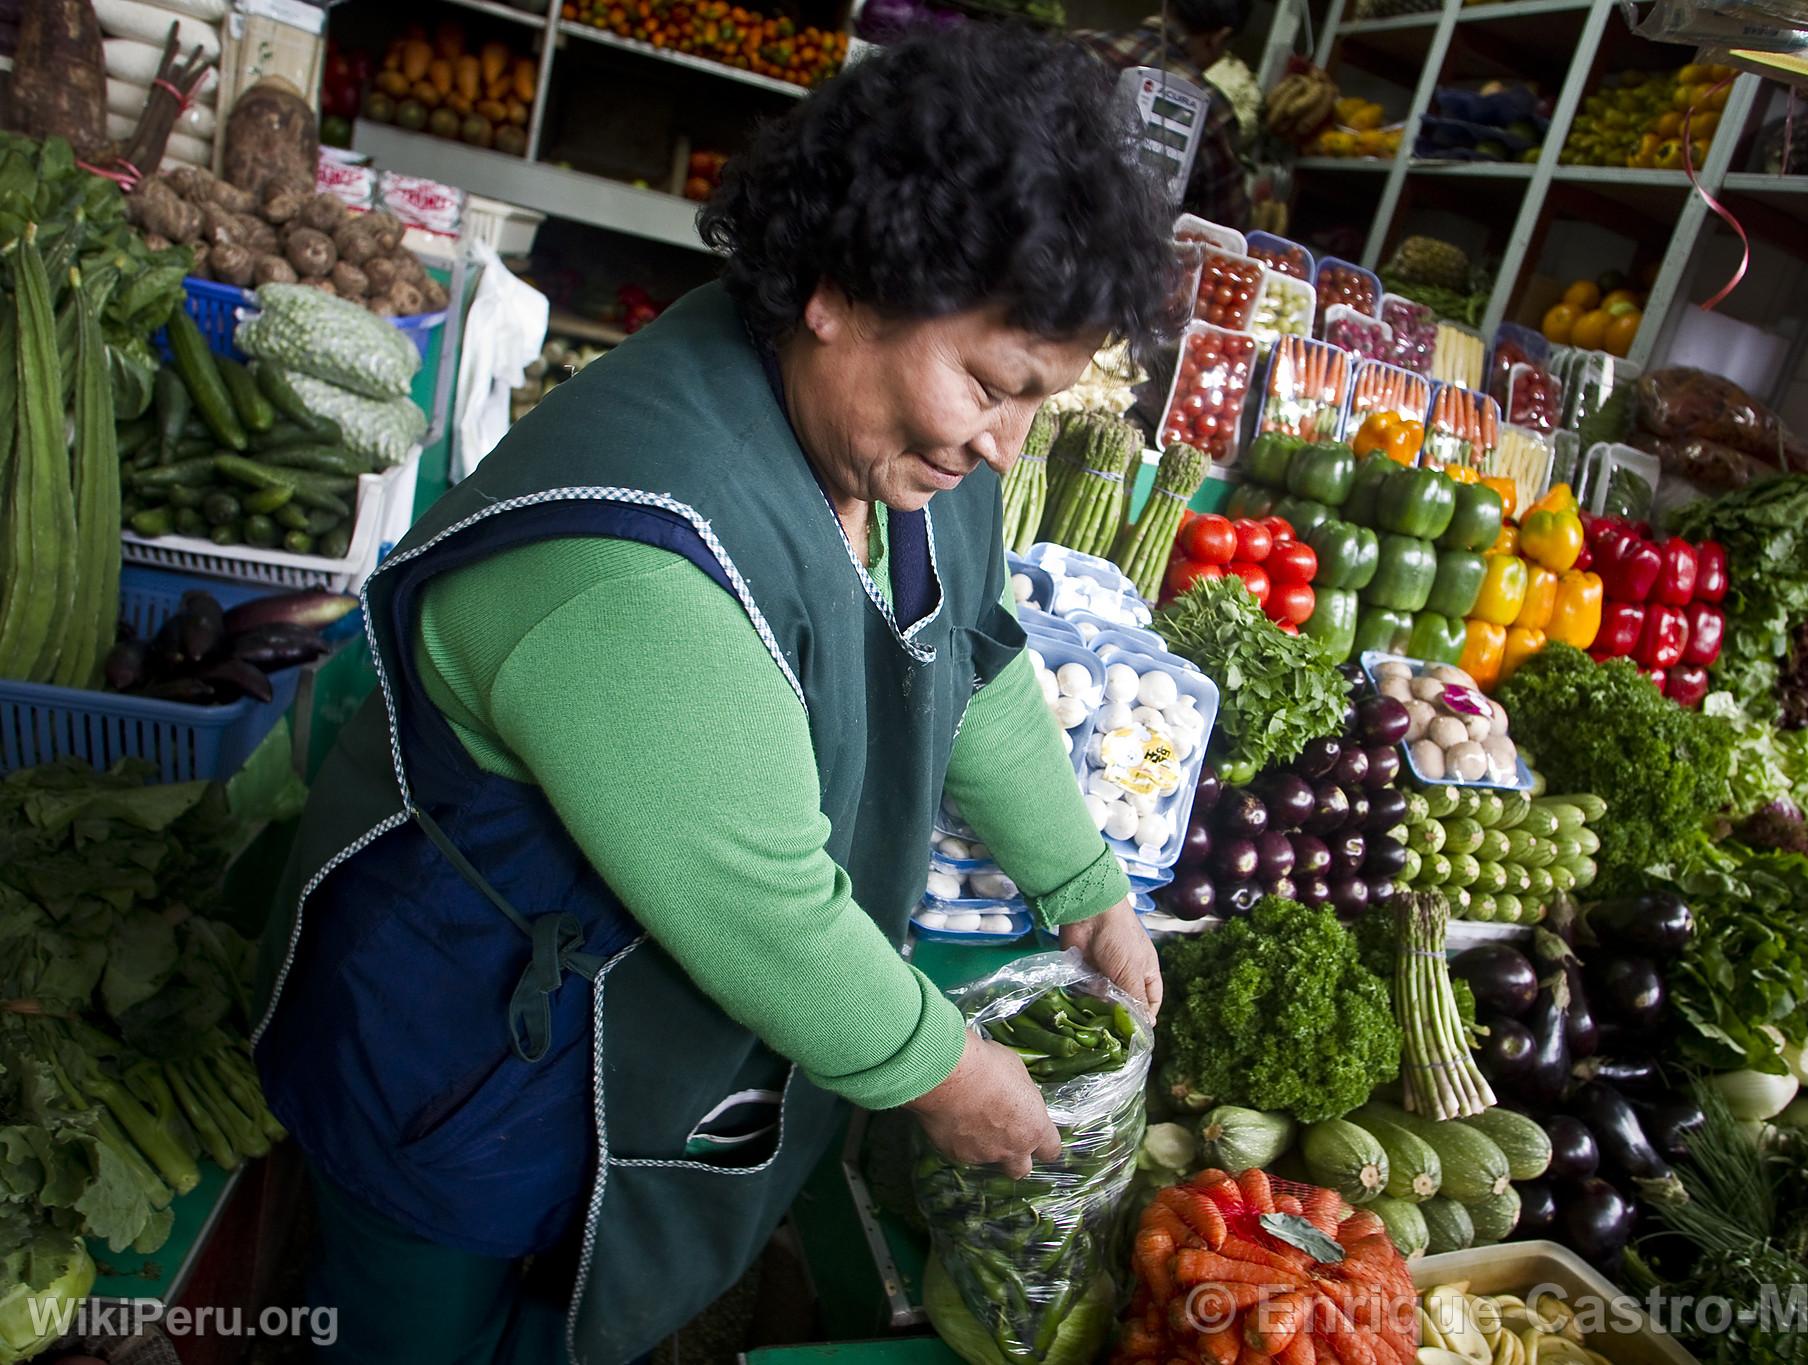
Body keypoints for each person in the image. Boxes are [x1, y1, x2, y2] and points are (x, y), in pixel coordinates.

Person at [249, 28, 1178, 1365]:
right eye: (987, 382)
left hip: (615, 1019)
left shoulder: (890, 450)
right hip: (460, 1040)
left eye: (1037, 400)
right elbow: (768, 910)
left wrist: (1083, 882)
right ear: (843, 288)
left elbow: (971, 657)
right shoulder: (638, 566)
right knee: (420, 1326)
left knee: (559, 1298)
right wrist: (946, 1072)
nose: (1001, 443)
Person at [1075, 0, 1255, 229]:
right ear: (1219, 38)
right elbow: (1225, 228)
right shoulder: (1213, 112)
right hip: (1117, 257)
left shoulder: (1077, 45)